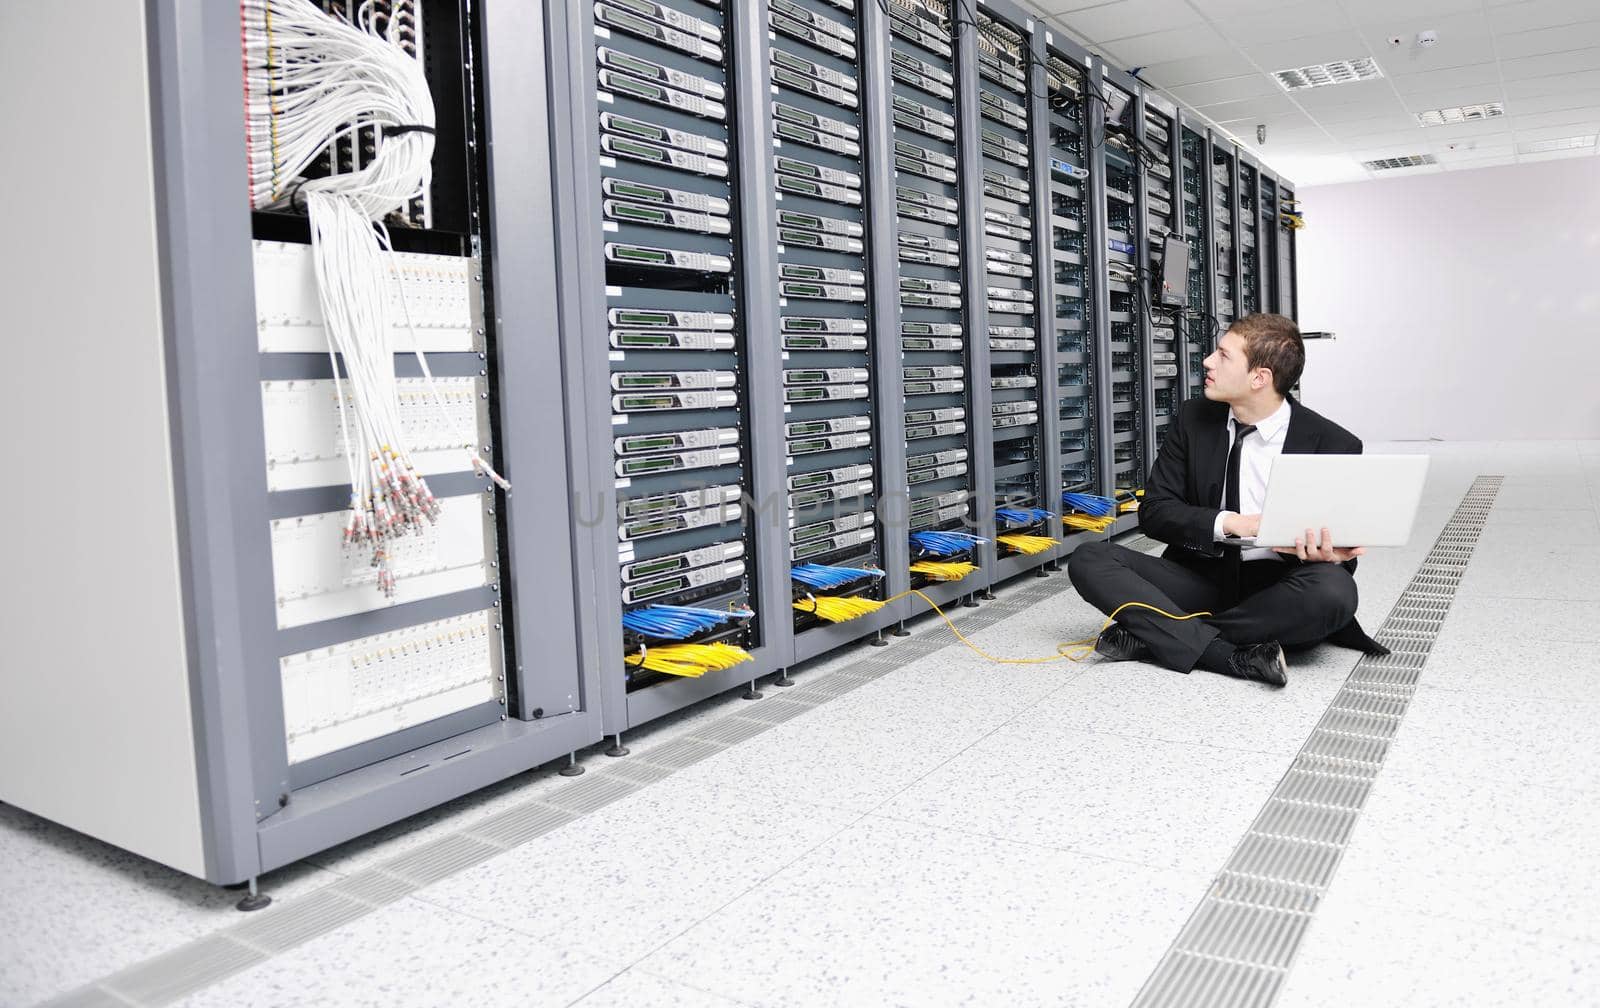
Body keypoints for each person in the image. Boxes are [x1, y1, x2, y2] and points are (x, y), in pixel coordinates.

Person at [1066, 313, 1387, 687]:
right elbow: (1155, 512)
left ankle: (1160, 636)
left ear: (1259, 378)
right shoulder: (1194, 418)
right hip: (1201, 576)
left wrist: (1326, 553)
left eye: (1223, 356)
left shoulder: (1332, 444)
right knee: (1091, 558)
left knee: (1334, 592)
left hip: (1279, 588)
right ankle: (1229, 656)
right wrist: (1231, 523)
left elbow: (1340, 553)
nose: (1208, 362)